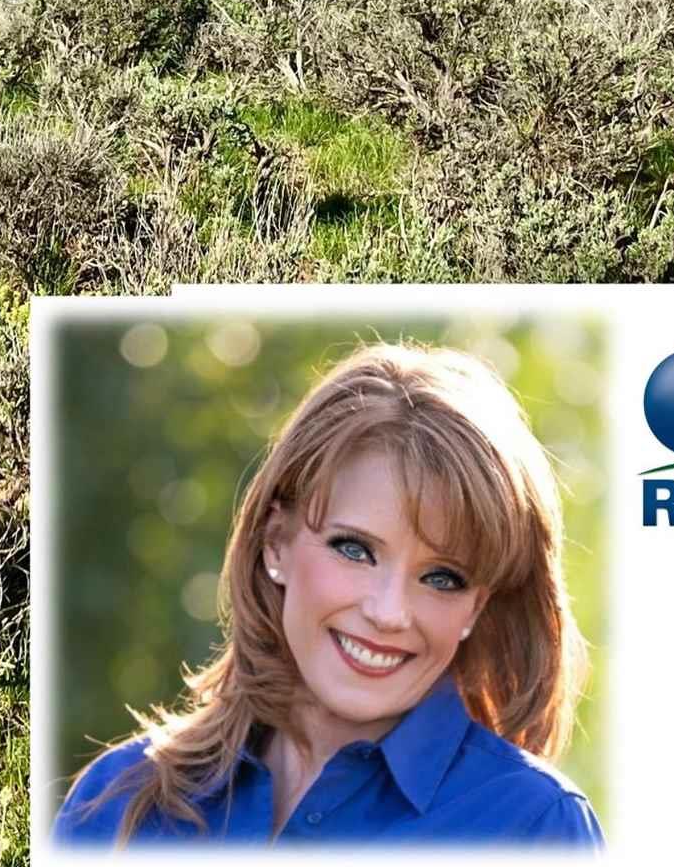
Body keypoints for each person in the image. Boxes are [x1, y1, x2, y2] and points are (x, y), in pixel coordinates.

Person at [56, 342, 603, 847]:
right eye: (355, 549)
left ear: (475, 607)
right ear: (276, 544)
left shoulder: (532, 827)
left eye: (442, 577)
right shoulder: (119, 802)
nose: (389, 613)